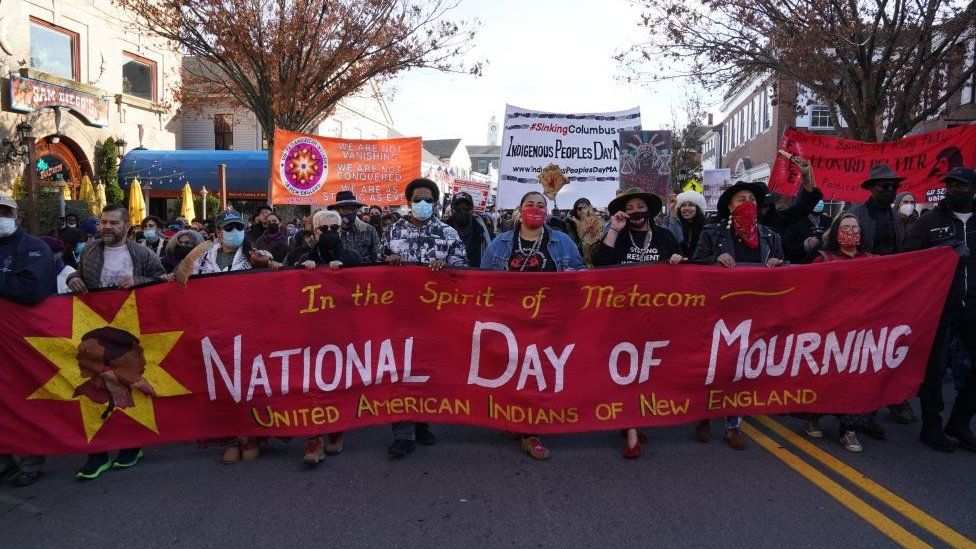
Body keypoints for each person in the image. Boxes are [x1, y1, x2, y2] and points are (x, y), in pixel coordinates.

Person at [481, 191, 584, 460]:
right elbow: (481, 281)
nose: (535, 209)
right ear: (520, 208)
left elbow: (581, 271)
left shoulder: (562, 241)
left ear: (548, 212)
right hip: (510, 320)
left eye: (541, 205)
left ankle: (531, 430)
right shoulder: (500, 243)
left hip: (549, 320)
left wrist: (575, 276)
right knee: (513, 372)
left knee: (537, 373)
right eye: (530, 204)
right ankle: (517, 418)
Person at [65, 204, 165, 480]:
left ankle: (131, 445)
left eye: (113, 223)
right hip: (95, 332)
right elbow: (77, 274)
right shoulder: (90, 252)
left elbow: (162, 281)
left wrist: (138, 280)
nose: (106, 227)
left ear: (126, 227)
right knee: (96, 390)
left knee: (127, 388)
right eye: (103, 222)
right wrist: (74, 278)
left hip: (130, 334)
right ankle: (97, 453)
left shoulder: (142, 253)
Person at [175, 209, 279, 463]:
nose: (235, 233)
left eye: (239, 228)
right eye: (229, 229)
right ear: (218, 232)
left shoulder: (255, 255)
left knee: (248, 383)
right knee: (221, 384)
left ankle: (252, 436)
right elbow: (182, 280)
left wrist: (270, 263)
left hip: (248, 328)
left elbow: (274, 275)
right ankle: (232, 437)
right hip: (213, 328)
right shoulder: (202, 256)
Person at [692, 181, 785, 450]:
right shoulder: (713, 233)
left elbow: (786, 267)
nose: (747, 203)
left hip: (754, 311)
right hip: (720, 310)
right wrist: (715, 258)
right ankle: (704, 415)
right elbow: (696, 265)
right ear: (730, 206)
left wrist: (778, 264)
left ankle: (733, 424)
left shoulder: (770, 236)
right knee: (714, 366)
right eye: (740, 199)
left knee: (742, 369)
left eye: (751, 199)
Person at [592, 188, 680, 458]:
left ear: (649, 210)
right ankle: (630, 428)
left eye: (640, 206)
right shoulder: (618, 233)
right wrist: (614, 230)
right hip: (622, 315)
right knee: (626, 370)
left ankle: (633, 418)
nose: (634, 212)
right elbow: (599, 262)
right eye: (629, 208)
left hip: (655, 316)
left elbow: (680, 269)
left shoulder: (665, 236)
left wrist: (678, 261)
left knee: (647, 371)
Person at [381, 178, 467, 457]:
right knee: (401, 371)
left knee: (426, 370)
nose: (423, 204)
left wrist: (446, 269)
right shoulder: (391, 231)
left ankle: (423, 421)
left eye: (428, 200)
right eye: (417, 199)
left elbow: (463, 272)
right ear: (408, 202)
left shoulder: (448, 233)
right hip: (399, 316)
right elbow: (375, 270)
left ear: (436, 203)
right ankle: (402, 431)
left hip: (434, 317)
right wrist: (388, 264)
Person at [905, 167, 976, 452]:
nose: (953, 189)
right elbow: (909, 259)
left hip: (973, 307)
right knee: (934, 370)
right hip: (940, 307)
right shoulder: (929, 222)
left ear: (972, 189)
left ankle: (959, 422)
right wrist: (946, 251)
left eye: (960, 185)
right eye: (950, 185)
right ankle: (931, 427)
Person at [794, 213, 876, 452]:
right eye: (845, 227)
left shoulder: (872, 260)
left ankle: (849, 430)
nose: (850, 232)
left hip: (859, 332)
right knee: (823, 376)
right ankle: (813, 416)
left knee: (855, 381)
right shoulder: (823, 259)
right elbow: (806, 288)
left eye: (855, 227)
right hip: (828, 331)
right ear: (836, 231)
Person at [291, 210, 362, 466]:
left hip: (342, 332)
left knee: (339, 382)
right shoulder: (301, 256)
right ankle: (314, 439)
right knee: (310, 384)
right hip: (309, 334)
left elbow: (367, 291)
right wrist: (302, 270)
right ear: (314, 232)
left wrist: (346, 275)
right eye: (324, 229)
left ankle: (336, 431)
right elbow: (283, 288)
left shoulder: (353, 257)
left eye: (335, 228)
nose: (330, 233)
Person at [846, 163, 915, 426]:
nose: (890, 191)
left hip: (892, 293)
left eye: (894, 187)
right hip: (864, 294)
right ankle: (863, 410)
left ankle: (893, 399)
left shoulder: (896, 218)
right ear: (872, 189)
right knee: (865, 351)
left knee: (890, 348)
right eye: (884, 186)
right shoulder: (855, 215)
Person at [0, 195, 56, 486]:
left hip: (23, 343)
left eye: (4, 212)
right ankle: (4, 459)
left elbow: (31, 290)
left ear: (16, 216)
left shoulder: (34, 248)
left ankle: (30, 460)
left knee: (25, 401)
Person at [329, 191, 382, 264]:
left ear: (357, 210)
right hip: (339, 274)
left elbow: (378, 257)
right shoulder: (331, 233)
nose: (349, 212)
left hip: (363, 273)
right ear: (337, 211)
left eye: (352, 208)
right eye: (345, 209)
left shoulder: (369, 230)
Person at [444, 192, 492, 268]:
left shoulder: (485, 234)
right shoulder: (441, 231)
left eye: (466, 208)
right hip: (449, 278)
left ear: (472, 209)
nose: (462, 211)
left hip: (475, 278)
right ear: (452, 210)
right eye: (458, 208)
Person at [782, 200, 832, 264]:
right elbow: (786, 248)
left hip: (823, 263)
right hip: (801, 265)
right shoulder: (794, 222)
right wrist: (806, 245)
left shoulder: (829, 221)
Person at [666, 190, 707, 259]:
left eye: (691, 205)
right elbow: (672, 242)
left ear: (698, 208)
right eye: (683, 205)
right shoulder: (676, 224)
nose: (686, 208)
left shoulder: (707, 227)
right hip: (680, 266)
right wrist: (672, 210)